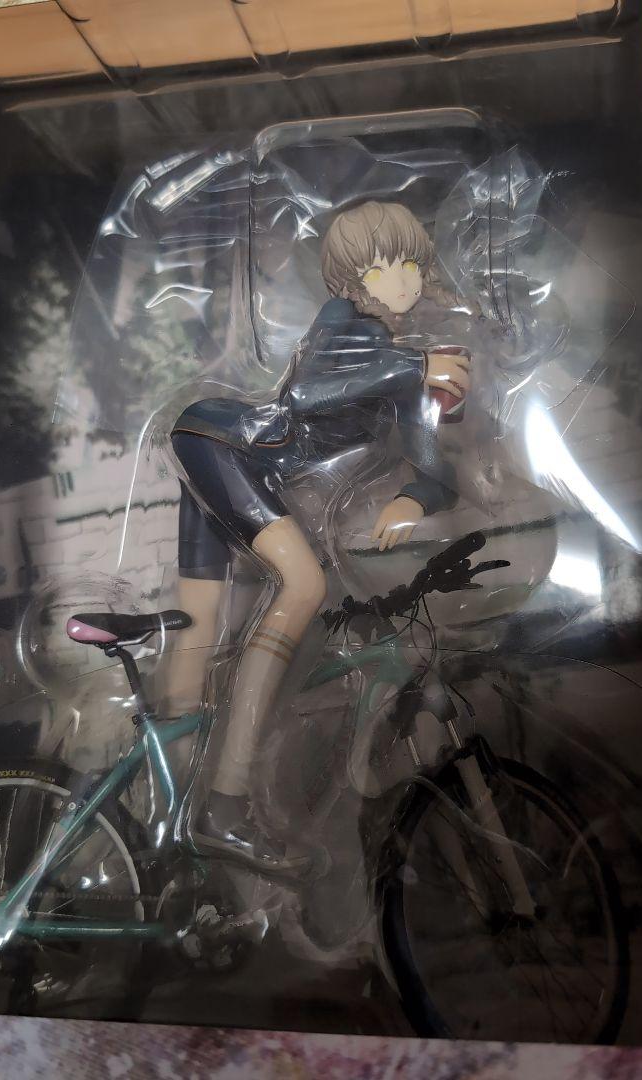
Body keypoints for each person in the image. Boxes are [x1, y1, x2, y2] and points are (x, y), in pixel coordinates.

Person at [165, 201, 470, 872]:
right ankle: (224, 806)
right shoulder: (346, 321)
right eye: (382, 267)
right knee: (301, 585)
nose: (402, 278)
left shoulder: (399, 360)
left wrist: (415, 497)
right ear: (353, 278)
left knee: (197, 629)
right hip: (224, 443)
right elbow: (305, 395)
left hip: (232, 460)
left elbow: (436, 471)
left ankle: (160, 811)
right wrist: (414, 367)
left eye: (410, 262)